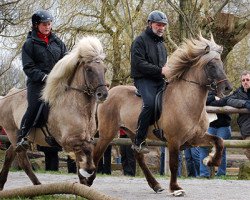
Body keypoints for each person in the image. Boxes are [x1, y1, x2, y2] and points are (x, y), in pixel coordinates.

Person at [15, 10, 67, 152]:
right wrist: (44, 77)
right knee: (35, 106)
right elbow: (28, 67)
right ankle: (22, 137)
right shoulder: (29, 44)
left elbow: (66, 61)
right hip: (37, 83)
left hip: (57, 83)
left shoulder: (58, 43)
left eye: (49, 24)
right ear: (36, 25)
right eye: (44, 24)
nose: (47, 27)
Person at [130, 10, 169, 154]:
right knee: (150, 104)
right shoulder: (140, 41)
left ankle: (160, 130)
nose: (161, 28)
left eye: (163, 25)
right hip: (143, 79)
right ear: (150, 24)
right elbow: (139, 63)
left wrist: (167, 71)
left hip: (159, 79)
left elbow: (163, 65)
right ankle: (139, 141)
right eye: (159, 25)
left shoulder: (161, 45)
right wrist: (161, 71)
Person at [199, 91, 231, 178]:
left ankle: (221, 174)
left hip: (224, 126)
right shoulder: (208, 92)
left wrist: (212, 102)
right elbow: (202, 101)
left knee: (221, 148)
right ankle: (204, 174)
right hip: (210, 125)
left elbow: (225, 101)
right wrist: (213, 98)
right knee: (204, 147)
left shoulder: (227, 92)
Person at [226, 70, 250, 160]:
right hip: (247, 129)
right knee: (247, 150)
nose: (245, 82)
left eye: (247, 79)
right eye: (243, 80)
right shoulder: (239, 92)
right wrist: (244, 103)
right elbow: (229, 100)